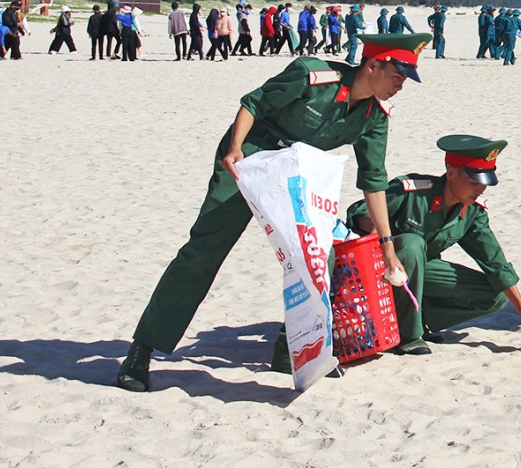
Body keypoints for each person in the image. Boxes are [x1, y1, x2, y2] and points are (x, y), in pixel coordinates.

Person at [115, 33, 432, 392]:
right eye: (397, 76)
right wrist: (235, 149)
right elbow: (254, 103)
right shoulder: (312, 76)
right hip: (250, 156)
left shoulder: (375, 116)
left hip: (296, 174)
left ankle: (298, 355)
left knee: (314, 258)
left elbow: (373, 180)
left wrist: (388, 246)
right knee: (203, 251)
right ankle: (142, 350)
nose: (400, 86)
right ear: (373, 65)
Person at [345, 135, 521, 355]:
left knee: (496, 294)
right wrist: (377, 228)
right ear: (452, 173)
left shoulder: (472, 211)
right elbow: (359, 212)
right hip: (382, 271)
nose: (480, 190)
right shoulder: (413, 192)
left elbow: (495, 263)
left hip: (421, 273)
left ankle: (419, 319)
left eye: (483, 184)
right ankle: (409, 335)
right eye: (474, 182)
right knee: (412, 243)